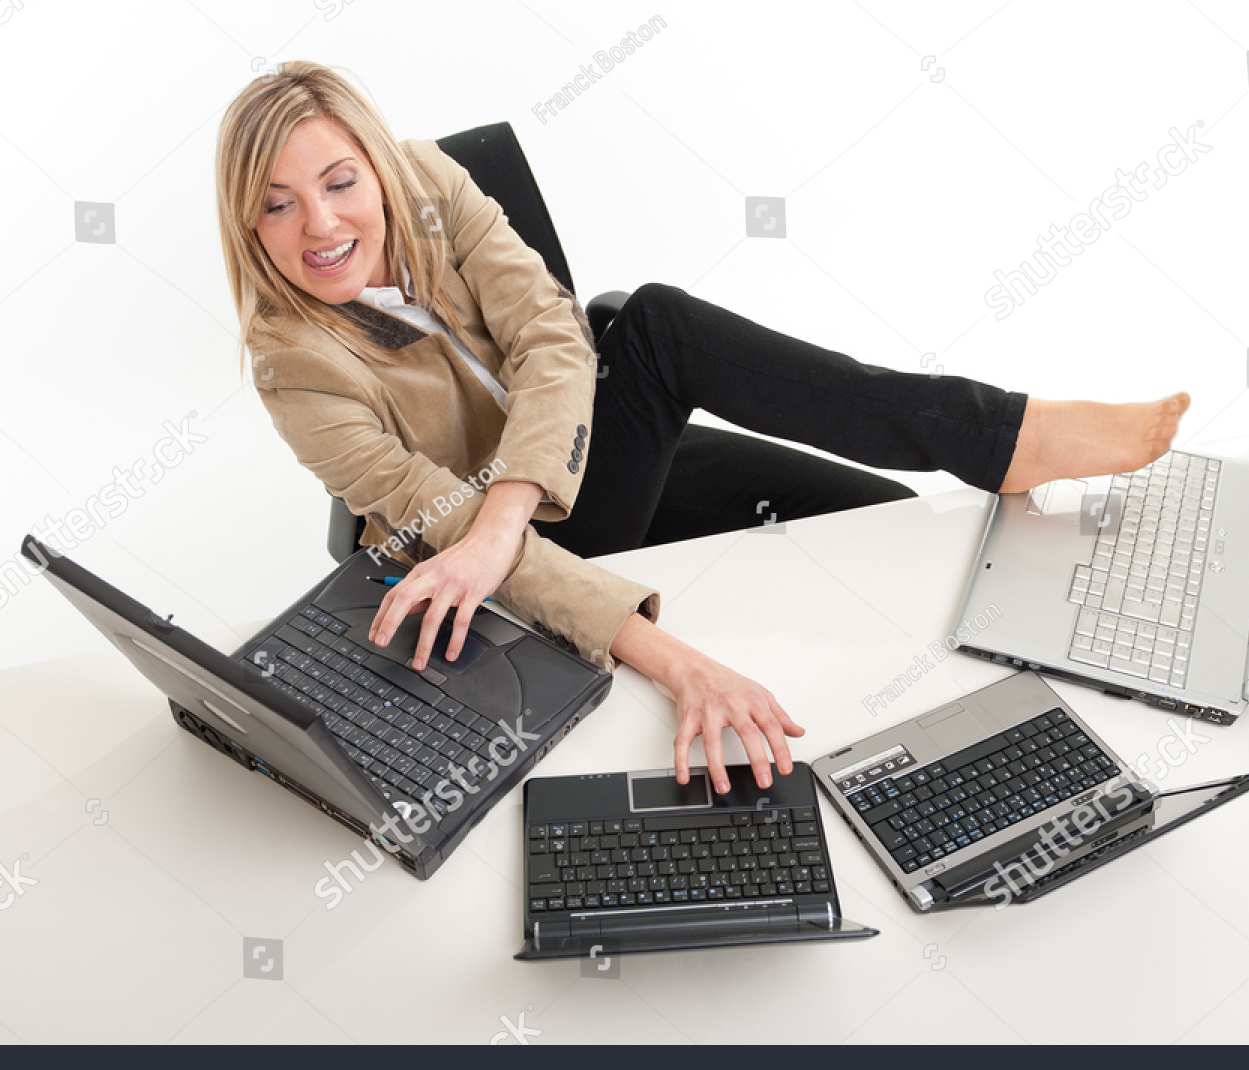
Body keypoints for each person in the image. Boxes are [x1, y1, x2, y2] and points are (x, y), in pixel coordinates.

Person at [216, 61, 1190, 796]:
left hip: (558, 475)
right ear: (246, 223)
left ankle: (1014, 553)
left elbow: (552, 335)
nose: (321, 224)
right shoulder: (291, 364)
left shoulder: (430, 182)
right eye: (278, 203)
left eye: (340, 182)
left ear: (378, 170)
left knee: (881, 513)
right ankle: (997, 435)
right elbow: (450, 535)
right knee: (653, 326)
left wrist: (507, 507)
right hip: (509, 559)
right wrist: (681, 664)